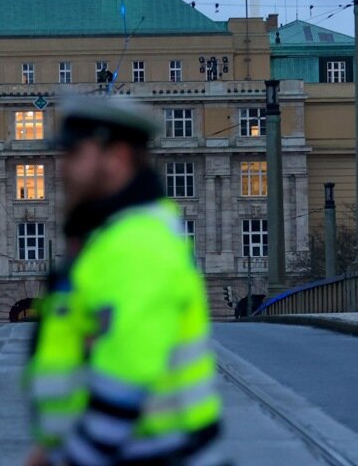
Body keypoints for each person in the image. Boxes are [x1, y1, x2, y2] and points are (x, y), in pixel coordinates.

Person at [25, 95, 222, 466]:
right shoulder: (112, 237)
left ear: (115, 157)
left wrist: (69, 460)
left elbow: (125, 382)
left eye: (73, 154)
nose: (61, 169)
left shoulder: (137, 243)